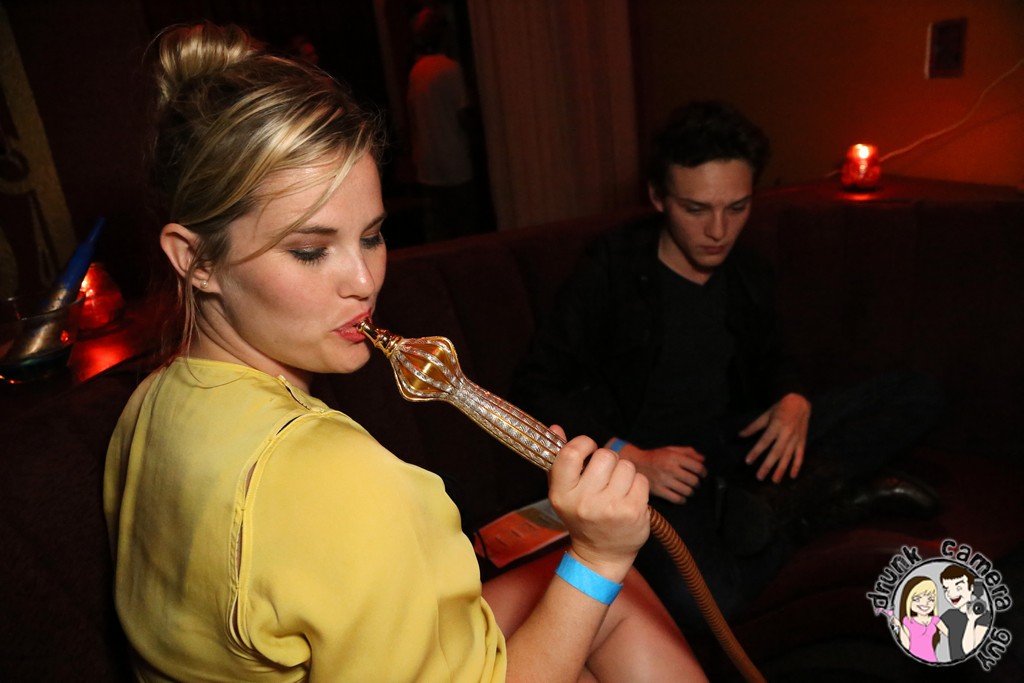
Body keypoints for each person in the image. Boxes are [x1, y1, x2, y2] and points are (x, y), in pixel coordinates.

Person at [103, 22, 706, 682]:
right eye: (310, 250)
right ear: (195, 260)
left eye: (371, 236)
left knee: (616, 609)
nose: (365, 281)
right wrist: (598, 557)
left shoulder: (149, 403)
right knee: (610, 590)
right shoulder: (345, 480)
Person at [511, 100, 945, 632]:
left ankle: (782, 503)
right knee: (705, 603)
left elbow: (776, 358)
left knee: (918, 393)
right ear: (659, 197)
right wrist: (627, 456)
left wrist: (792, 398)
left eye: (736, 208)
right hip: (658, 470)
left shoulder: (747, 270)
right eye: (696, 209)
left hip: (739, 442)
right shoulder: (611, 268)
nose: (718, 231)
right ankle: (817, 509)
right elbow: (535, 384)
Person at [405, 5, 481, 241]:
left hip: (429, 164)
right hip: (454, 162)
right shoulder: (451, 69)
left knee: (438, 232)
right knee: (465, 229)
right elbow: (464, 115)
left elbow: (413, 120)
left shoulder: (416, 72)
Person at [939, 565, 992, 660]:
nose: (951, 593)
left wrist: (971, 620)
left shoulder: (984, 616)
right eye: (946, 589)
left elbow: (969, 650)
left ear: (971, 587)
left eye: (958, 588)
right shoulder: (949, 615)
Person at [891, 576, 947, 662]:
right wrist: (898, 626)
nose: (925, 603)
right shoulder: (908, 621)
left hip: (931, 659)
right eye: (917, 599)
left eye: (931, 599)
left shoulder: (935, 620)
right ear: (908, 600)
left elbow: (951, 635)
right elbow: (906, 645)